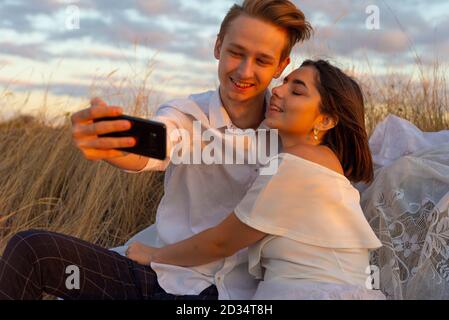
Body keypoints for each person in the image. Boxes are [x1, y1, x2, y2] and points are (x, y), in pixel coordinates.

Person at [0, 0, 312, 300]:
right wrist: (111, 145)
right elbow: (158, 144)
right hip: (157, 275)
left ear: (281, 66)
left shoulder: (291, 133)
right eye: (236, 52)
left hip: (236, 293)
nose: (244, 71)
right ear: (218, 47)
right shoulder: (187, 114)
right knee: (32, 250)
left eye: (261, 60)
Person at [124, 60, 387, 300]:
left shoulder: (299, 164)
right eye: (284, 82)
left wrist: (154, 255)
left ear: (326, 119)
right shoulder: (323, 160)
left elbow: (222, 242)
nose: (279, 91)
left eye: (297, 91)